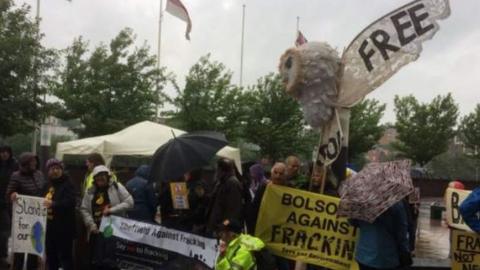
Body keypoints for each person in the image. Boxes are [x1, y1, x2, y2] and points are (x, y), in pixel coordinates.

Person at [80, 165, 133, 270]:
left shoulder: (117, 187)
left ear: (108, 176)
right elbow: (84, 209)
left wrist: (111, 210)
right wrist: (91, 224)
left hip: (114, 231)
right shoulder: (90, 191)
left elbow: (130, 203)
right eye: (98, 176)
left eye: (103, 175)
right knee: (96, 261)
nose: (100, 178)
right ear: (94, 178)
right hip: (96, 231)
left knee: (112, 263)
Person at [6, 152, 47, 270]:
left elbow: (44, 190)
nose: (34, 163)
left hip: (37, 216)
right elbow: (9, 193)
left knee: (34, 246)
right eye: (31, 161)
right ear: (25, 163)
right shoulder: (16, 175)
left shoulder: (39, 174)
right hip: (22, 218)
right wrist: (12, 195)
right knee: (20, 247)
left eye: (35, 161)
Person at [350, 201, 411, 270]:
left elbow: (352, 222)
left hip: (364, 254)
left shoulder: (359, 201)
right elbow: (402, 231)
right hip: (388, 257)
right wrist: (405, 251)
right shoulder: (396, 203)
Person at [43, 159, 76, 270]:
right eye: (52, 169)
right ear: (48, 171)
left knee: (65, 257)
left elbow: (71, 202)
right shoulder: (46, 184)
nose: (55, 171)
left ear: (62, 170)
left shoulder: (68, 184)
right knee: (51, 257)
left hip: (64, 228)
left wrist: (54, 204)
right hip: (49, 228)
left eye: (58, 168)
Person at [206, 158, 244, 236]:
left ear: (222, 170)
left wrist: (223, 225)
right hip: (215, 227)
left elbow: (233, 212)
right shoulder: (221, 182)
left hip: (224, 230)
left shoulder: (233, 184)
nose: (216, 172)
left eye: (217, 169)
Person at [0, 145, 17, 268]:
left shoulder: (14, 165)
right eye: (2, 152)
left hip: (8, 203)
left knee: (5, 231)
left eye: (6, 152)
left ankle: (3, 255)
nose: (4, 154)